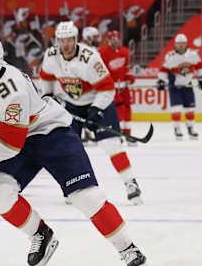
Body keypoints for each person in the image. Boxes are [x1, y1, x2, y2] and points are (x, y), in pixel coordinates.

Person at [0, 34, 151, 266]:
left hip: (51, 134)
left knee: (85, 196)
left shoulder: (11, 88)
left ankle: (128, 249)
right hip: (18, 138)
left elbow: (8, 143)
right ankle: (40, 233)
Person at [40, 22, 143, 205]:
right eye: (61, 40)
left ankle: (131, 183)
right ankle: (72, 185)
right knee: (68, 147)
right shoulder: (51, 55)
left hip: (98, 101)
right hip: (71, 104)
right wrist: (48, 95)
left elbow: (107, 88)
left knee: (111, 145)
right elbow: (46, 76)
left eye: (69, 40)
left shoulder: (90, 58)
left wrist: (96, 110)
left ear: (76, 39)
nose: (65, 45)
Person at [157, 33, 202, 140]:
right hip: (175, 87)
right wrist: (161, 80)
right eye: (178, 44)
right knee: (176, 109)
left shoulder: (193, 55)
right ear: (175, 45)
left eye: (183, 44)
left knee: (190, 109)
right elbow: (164, 70)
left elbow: (199, 66)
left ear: (186, 44)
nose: (181, 46)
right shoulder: (170, 56)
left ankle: (191, 128)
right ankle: (177, 129)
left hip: (188, 86)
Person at [99, 30, 137, 145]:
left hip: (124, 87)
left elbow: (126, 67)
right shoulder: (102, 52)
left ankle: (128, 133)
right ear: (108, 41)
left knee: (127, 108)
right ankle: (117, 133)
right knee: (118, 110)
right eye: (112, 39)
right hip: (111, 87)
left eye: (116, 38)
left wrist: (129, 76)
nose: (115, 40)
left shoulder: (125, 51)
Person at [80, 26, 101, 146]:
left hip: (91, 82)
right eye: (94, 37)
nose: (97, 39)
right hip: (83, 83)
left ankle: (88, 131)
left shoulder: (92, 48)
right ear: (88, 37)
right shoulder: (82, 48)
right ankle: (84, 132)